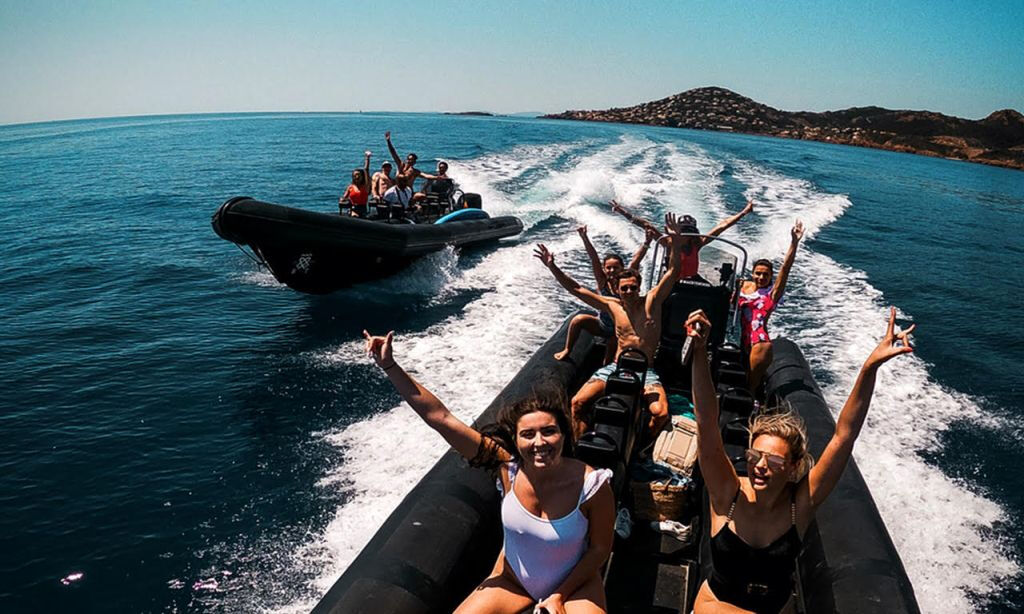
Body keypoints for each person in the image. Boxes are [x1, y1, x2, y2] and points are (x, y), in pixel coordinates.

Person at [362, 330, 615, 614]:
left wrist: (558, 595)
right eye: (528, 434)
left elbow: (600, 550)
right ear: (517, 441)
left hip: (575, 588)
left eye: (549, 432)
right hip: (514, 582)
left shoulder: (591, 485)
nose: (539, 442)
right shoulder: (507, 469)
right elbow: (441, 419)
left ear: (564, 436)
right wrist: (389, 366)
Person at [686, 307, 915, 614]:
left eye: (774, 461)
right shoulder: (727, 492)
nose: (760, 466)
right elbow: (705, 420)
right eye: (755, 456)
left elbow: (843, 437)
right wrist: (700, 352)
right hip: (717, 606)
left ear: (793, 467)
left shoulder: (801, 505)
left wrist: (869, 369)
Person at [535, 214, 686, 441]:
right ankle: (580, 449)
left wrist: (674, 242)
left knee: (661, 413)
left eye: (632, 288)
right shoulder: (612, 306)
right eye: (624, 289)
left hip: (646, 372)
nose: (628, 292)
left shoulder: (652, 301)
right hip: (616, 368)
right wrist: (552, 267)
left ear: (638, 286)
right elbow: (576, 289)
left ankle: (641, 445)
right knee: (577, 403)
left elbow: (673, 271)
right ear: (618, 289)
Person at [554, 224, 659, 363]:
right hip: (603, 325)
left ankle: (605, 369)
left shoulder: (625, 283)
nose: (611, 270)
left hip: (620, 329)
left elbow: (636, 260)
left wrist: (647, 242)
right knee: (577, 320)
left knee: (611, 346)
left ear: (622, 268)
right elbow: (594, 258)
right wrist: (584, 237)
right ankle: (567, 349)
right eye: (608, 268)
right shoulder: (602, 281)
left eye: (615, 267)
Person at [611, 198, 754, 280]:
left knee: (716, 296)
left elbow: (722, 226)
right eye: (683, 231)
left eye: (689, 231)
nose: (686, 234)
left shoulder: (698, 243)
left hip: (693, 280)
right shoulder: (667, 242)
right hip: (670, 281)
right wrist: (623, 212)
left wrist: (744, 212)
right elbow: (646, 225)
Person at [739, 221, 804, 395]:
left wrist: (794, 242)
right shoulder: (742, 286)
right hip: (738, 336)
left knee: (750, 385)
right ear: (752, 273)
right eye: (758, 273)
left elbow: (785, 268)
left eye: (765, 275)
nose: (761, 277)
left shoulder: (771, 294)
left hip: (758, 342)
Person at [339, 151, 372, 217]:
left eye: (358, 175)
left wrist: (367, 158)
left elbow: (366, 170)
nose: (356, 177)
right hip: (353, 208)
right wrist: (342, 199)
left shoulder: (365, 186)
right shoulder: (350, 187)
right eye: (355, 175)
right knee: (354, 215)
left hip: (363, 209)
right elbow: (344, 197)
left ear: (362, 177)